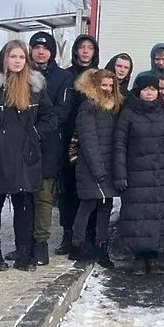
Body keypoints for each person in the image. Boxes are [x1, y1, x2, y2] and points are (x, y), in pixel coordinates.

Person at [0, 40, 58, 272]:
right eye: (12, 56)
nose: (17, 61)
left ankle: (23, 252)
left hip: (25, 154)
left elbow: (50, 118)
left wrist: (34, 134)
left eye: (21, 57)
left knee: (23, 204)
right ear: (4, 58)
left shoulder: (35, 87)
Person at [113, 74, 164, 275]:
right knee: (137, 217)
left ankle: (154, 257)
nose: (150, 93)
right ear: (139, 91)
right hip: (135, 174)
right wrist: (120, 175)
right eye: (146, 89)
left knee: (158, 216)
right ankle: (138, 258)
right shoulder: (128, 113)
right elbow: (119, 145)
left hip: (160, 173)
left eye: (153, 89)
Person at [23, 32, 73, 266]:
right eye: (36, 47)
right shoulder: (20, 73)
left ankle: (40, 243)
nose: (41, 52)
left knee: (43, 195)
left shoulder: (63, 77)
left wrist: (38, 129)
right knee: (22, 195)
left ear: (52, 52)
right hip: (21, 142)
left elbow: (63, 111)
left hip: (50, 142)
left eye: (45, 48)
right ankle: (24, 244)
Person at [69, 69, 122, 269]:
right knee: (88, 206)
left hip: (108, 167)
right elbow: (88, 141)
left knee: (105, 206)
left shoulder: (111, 108)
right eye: (104, 85)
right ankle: (77, 244)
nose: (107, 89)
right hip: (92, 167)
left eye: (110, 85)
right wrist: (98, 169)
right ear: (95, 85)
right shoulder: (88, 107)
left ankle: (102, 246)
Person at [56, 34, 100, 255]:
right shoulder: (65, 76)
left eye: (89, 48)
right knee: (68, 190)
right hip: (68, 141)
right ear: (75, 50)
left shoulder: (99, 76)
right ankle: (67, 234)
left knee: (89, 192)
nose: (85, 52)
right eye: (81, 47)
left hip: (91, 141)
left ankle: (88, 235)